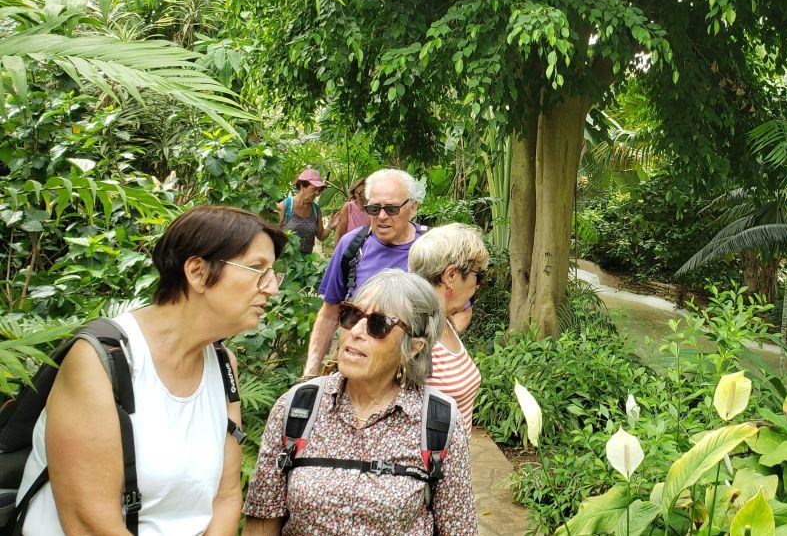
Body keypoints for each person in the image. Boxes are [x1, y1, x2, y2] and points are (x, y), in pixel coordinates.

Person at [16, 206, 285, 535]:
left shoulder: (222, 363)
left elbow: (226, 496)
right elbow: (89, 521)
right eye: (258, 270)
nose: (271, 288)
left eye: (272, 274)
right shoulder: (102, 360)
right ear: (198, 272)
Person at [243, 270, 477, 535]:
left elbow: (458, 528)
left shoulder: (438, 423)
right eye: (351, 315)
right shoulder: (298, 408)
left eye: (378, 325)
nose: (355, 331)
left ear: (414, 347)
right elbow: (262, 522)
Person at [303, 168, 427, 378]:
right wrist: (310, 373)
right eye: (373, 209)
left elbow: (458, 311)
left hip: (410, 374)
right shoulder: (352, 245)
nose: (382, 216)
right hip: (357, 369)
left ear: (413, 207)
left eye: (392, 209)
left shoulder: (430, 250)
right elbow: (329, 312)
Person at [408, 223, 487, 426]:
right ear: (451, 276)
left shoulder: (446, 322)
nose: (478, 285)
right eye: (478, 275)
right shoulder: (413, 332)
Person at [276, 168, 329, 255]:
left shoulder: (316, 210)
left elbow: (320, 236)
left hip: (306, 262)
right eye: (314, 189)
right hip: (284, 261)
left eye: (319, 190)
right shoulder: (285, 206)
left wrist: (330, 226)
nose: (317, 193)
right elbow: (273, 233)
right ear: (302, 186)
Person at [331, 177, 369, 244]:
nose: (359, 195)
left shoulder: (373, 208)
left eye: (362, 192)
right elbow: (339, 232)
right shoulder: (348, 207)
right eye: (357, 192)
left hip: (367, 246)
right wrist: (337, 251)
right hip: (349, 247)